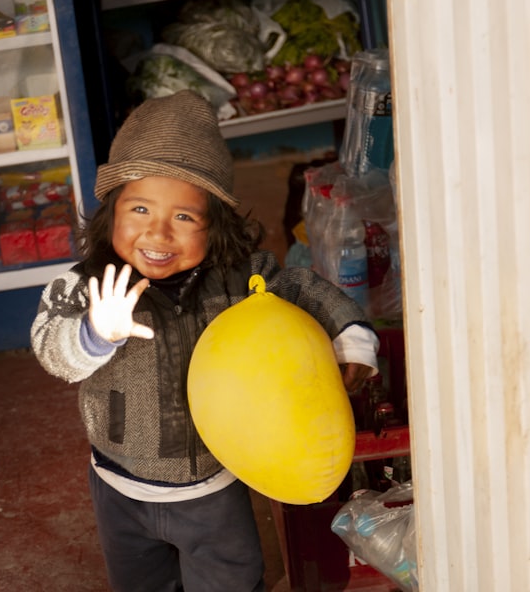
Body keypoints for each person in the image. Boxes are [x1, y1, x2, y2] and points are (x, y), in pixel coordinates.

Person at [31, 90, 379, 592]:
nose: (158, 233)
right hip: (120, 486)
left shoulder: (238, 279)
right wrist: (93, 333)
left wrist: (351, 340)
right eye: (141, 209)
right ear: (111, 213)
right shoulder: (87, 287)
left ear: (214, 227)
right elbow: (49, 346)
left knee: (231, 581)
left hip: (214, 487)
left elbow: (302, 287)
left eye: (184, 217)